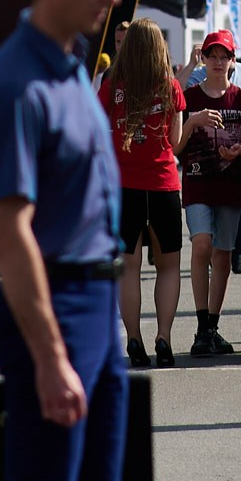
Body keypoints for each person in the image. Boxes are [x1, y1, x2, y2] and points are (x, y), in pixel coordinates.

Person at [0, 0, 129, 481]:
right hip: (54, 309)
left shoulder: (71, 71)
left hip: (94, 306)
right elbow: (10, 235)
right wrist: (49, 354)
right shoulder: (18, 87)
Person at [98, 19, 198, 370]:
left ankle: (134, 339)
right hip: (163, 185)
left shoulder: (111, 85)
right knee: (168, 267)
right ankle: (164, 338)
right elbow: (174, 144)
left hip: (122, 186)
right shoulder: (171, 86)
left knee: (128, 267)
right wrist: (194, 121)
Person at [178, 30, 241, 356]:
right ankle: (202, 326)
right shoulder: (190, 97)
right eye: (212, 55)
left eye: (223, 56)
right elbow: (176, 147)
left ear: (232, 60)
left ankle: (212, 326)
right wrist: (192, 122)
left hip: (230, 185)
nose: (218, 61)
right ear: (203, 59)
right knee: (201, 245)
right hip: (198, 183)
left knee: (224, 255)